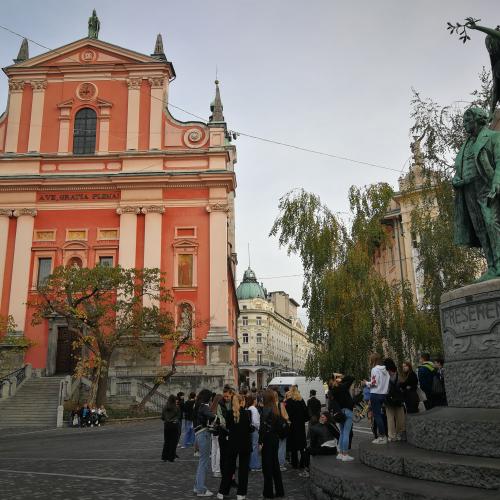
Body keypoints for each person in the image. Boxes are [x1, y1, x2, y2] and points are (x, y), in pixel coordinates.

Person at [216, 394, 252, 500]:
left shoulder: (229, 413)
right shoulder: (246, 413)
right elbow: (249, 428)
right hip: (245, 444)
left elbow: (227, 426)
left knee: (229, 468)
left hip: (232, 444)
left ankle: (222, 491)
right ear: (242, 402)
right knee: (243, 470)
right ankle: (241, 493)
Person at [259, 389, 285, 499]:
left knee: (267, 466)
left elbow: (263, 428)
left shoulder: (266, 409)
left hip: (268, 440)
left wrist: (260, 442)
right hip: (274, 439)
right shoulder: (275, 408)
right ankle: (279, 491)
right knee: (275, 466)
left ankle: (268, 492)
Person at [193, 389, 216, 497]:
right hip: (203, 433)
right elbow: (211, 416)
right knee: (204, 462)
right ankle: (201, 489)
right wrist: (218, 418)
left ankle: (197, 486)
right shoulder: (204, 406)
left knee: (202, 461)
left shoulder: (197, 405)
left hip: (198, 433)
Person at [364, 352, 390, 444]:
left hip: (375, 394)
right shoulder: (385, 370)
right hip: (383, 394)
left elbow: (374, 383)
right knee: (382, 416)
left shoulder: (374, 370)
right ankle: (385, 435)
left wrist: (366, 383)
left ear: (373, 360)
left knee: (377, 416)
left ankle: (382, 437)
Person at [331, 374, 355, 461]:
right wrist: (342, 376)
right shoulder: (343, 386)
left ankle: (340, 453)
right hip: (347, 411)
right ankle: (345, 454)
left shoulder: (333, 389)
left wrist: (338, 379)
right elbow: (352, 377)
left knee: (342, 433)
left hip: (340, 412)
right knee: (346, 433)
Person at [284, 385, 309, 469]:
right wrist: (302, 420)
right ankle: (303, 463)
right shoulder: (301, 401)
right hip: (300, 425)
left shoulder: (289, 402)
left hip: (292, 425)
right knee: (302, 445)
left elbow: (286, 414)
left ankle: (295, 463)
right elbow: (307, 413)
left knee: (293, 446)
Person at [384, 358, 405, 442]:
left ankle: (392, 436)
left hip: (388, 399)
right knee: (400, 416)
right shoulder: (397, 374)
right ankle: (400, 433)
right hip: (398, 398)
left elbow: (385, 388)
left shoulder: (385, 375)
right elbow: (401, 384)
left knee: (390, 418)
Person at [216, 386, 234, 483]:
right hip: (223, 431)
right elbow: (220, 417)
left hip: (232, 432)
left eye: (227, 396)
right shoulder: (220, 403)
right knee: (223, 455)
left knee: (231, 456)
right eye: (225, 396)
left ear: (231, 395)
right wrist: (226, 426)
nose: (226, 398)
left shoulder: (233, 402)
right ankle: (224, 476)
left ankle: (232, 478)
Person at [161, 394, 181, 462]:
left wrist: (167, 420)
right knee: (173, 442)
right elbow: (179, 417)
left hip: (166, 425)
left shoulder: (165, 407)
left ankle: (164, 457)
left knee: (166, 441)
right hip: (174, 425)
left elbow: (162, 417)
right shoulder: (177, 408)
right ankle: (171, 457)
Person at [247, 394, 261, 472]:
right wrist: (259, 428)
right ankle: (254, 465)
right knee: (254, 447)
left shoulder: (249, 408)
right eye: (255, 399)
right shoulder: (254, 409)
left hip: (251, 430)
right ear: (253, 400)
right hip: (254, 430)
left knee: (253, 447)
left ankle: (252, 464)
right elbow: (256, 422)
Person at [210, 394, 224, 478]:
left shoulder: (211, 408)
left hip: (213, 431)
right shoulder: (219, 408)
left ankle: (213, 468)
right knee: (218, 450)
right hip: (218, 431)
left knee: (214, 449)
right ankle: (217, 469)